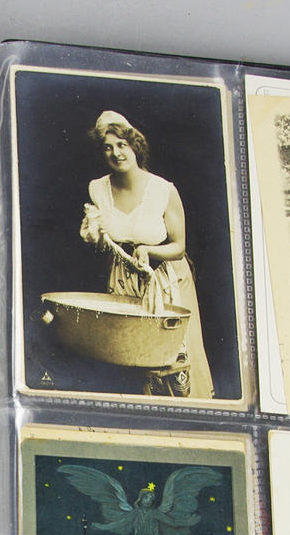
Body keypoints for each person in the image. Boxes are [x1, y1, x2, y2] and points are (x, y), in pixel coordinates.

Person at [79, 110, 214, 398]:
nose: (116, 153)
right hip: (123, 280)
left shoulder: (163, 190)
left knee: (175, 360)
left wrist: (149, 250)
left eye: (121, 145)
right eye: (107, 147)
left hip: (166, 279)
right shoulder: (98, 189)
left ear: (134, 145)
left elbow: (179, 246)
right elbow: (105, 241)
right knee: (133, 356)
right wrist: (95, 235)